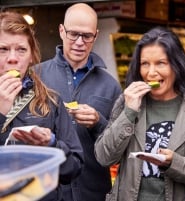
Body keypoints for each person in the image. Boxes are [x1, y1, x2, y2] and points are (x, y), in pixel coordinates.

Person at [94, 26, 185, 201]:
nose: (151, 73)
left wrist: (173, 162)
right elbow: (103, 157)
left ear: (177, 65)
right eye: (145, 63)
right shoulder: (126, 102)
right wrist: (129, 112)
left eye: (160, 63)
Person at [37, 3, 122, 201]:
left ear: (96, 35)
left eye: (87, 36)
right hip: (46, 189)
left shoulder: (111, 86)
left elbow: (118, 149)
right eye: (73, 34)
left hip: (93, 191)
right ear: (61, 31)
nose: (79, 42)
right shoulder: (36, 76)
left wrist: (98, 123)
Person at [0, 11, 84, 201]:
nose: (12, 58)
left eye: (21, 49)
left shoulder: (50, 101)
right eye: (3, 49)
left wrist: (52, 144)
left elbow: (75, 168)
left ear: (31, 56)